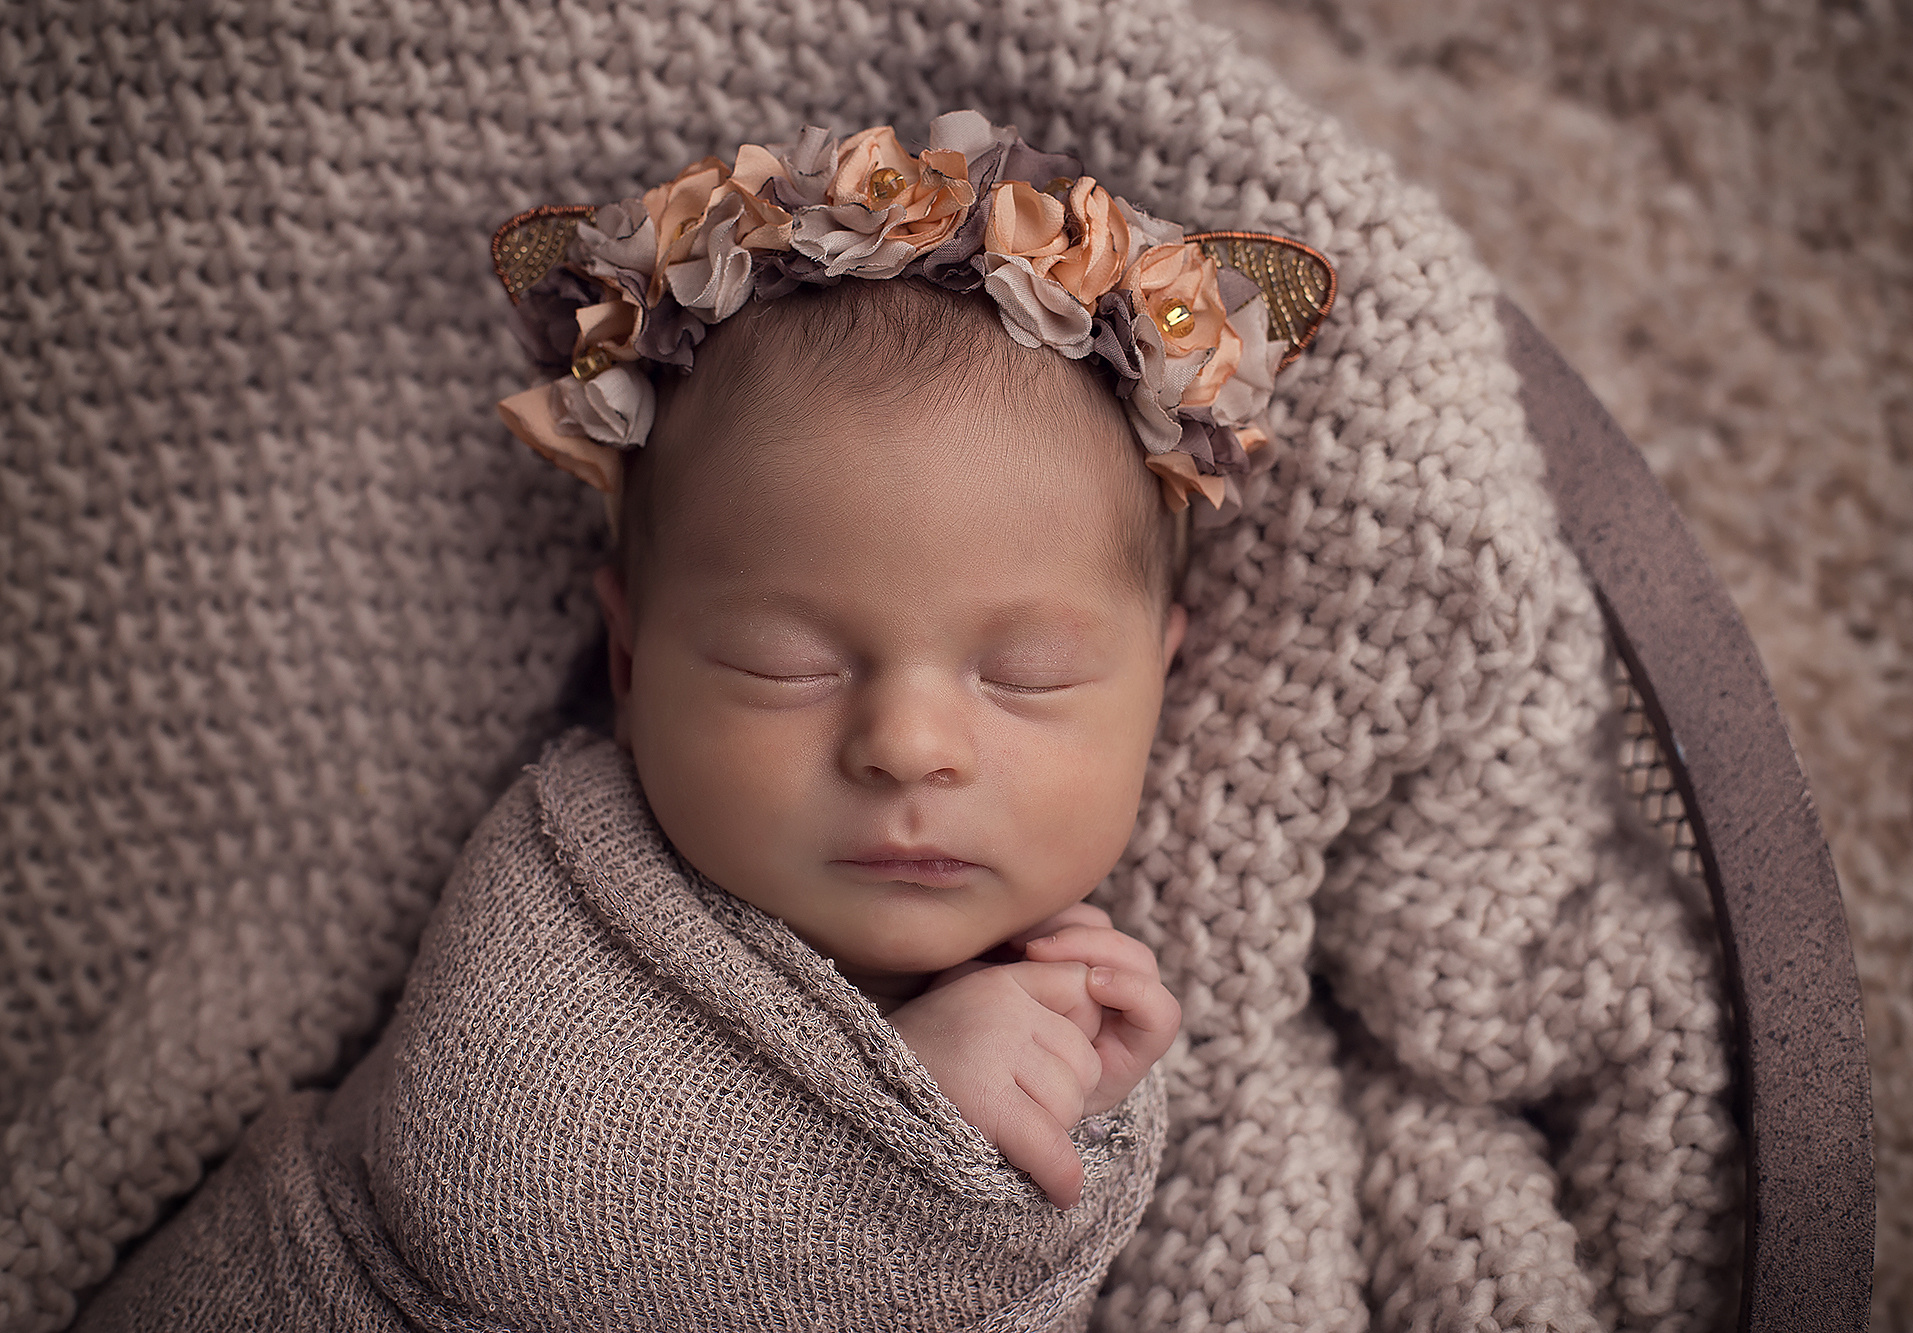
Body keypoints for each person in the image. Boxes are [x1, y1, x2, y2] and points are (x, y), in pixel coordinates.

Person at [75, 109, 1330, 1331]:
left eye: (1030, 673)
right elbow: (497, 1206)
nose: (906, 744)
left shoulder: (1072, 993)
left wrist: (1076, 1120)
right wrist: (916, 1116)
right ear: (629, 660)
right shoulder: (576, 873)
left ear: (1156, 684)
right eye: (784, 664)